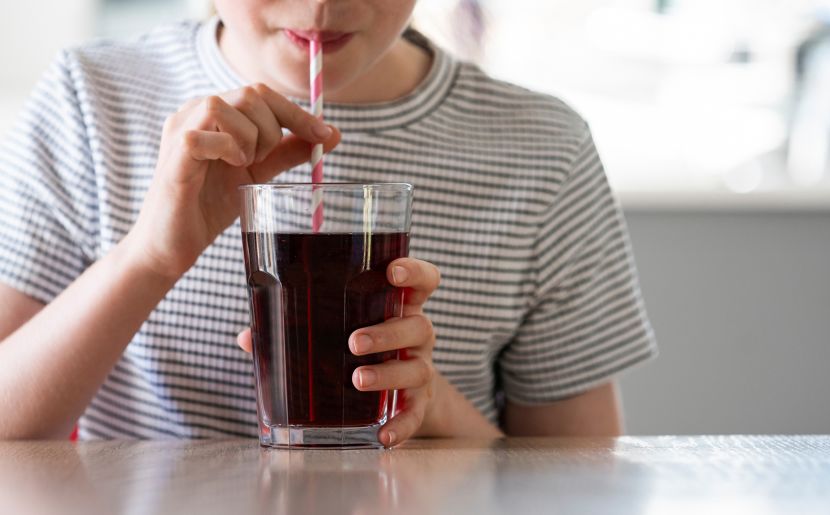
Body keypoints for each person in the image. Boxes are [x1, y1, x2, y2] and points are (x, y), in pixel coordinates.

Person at [0, 0, 656, 444]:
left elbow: (582, 478)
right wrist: (149, 256)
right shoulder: (92, 100)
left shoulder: (543, 149)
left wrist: (435, 414)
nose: (320, 3)